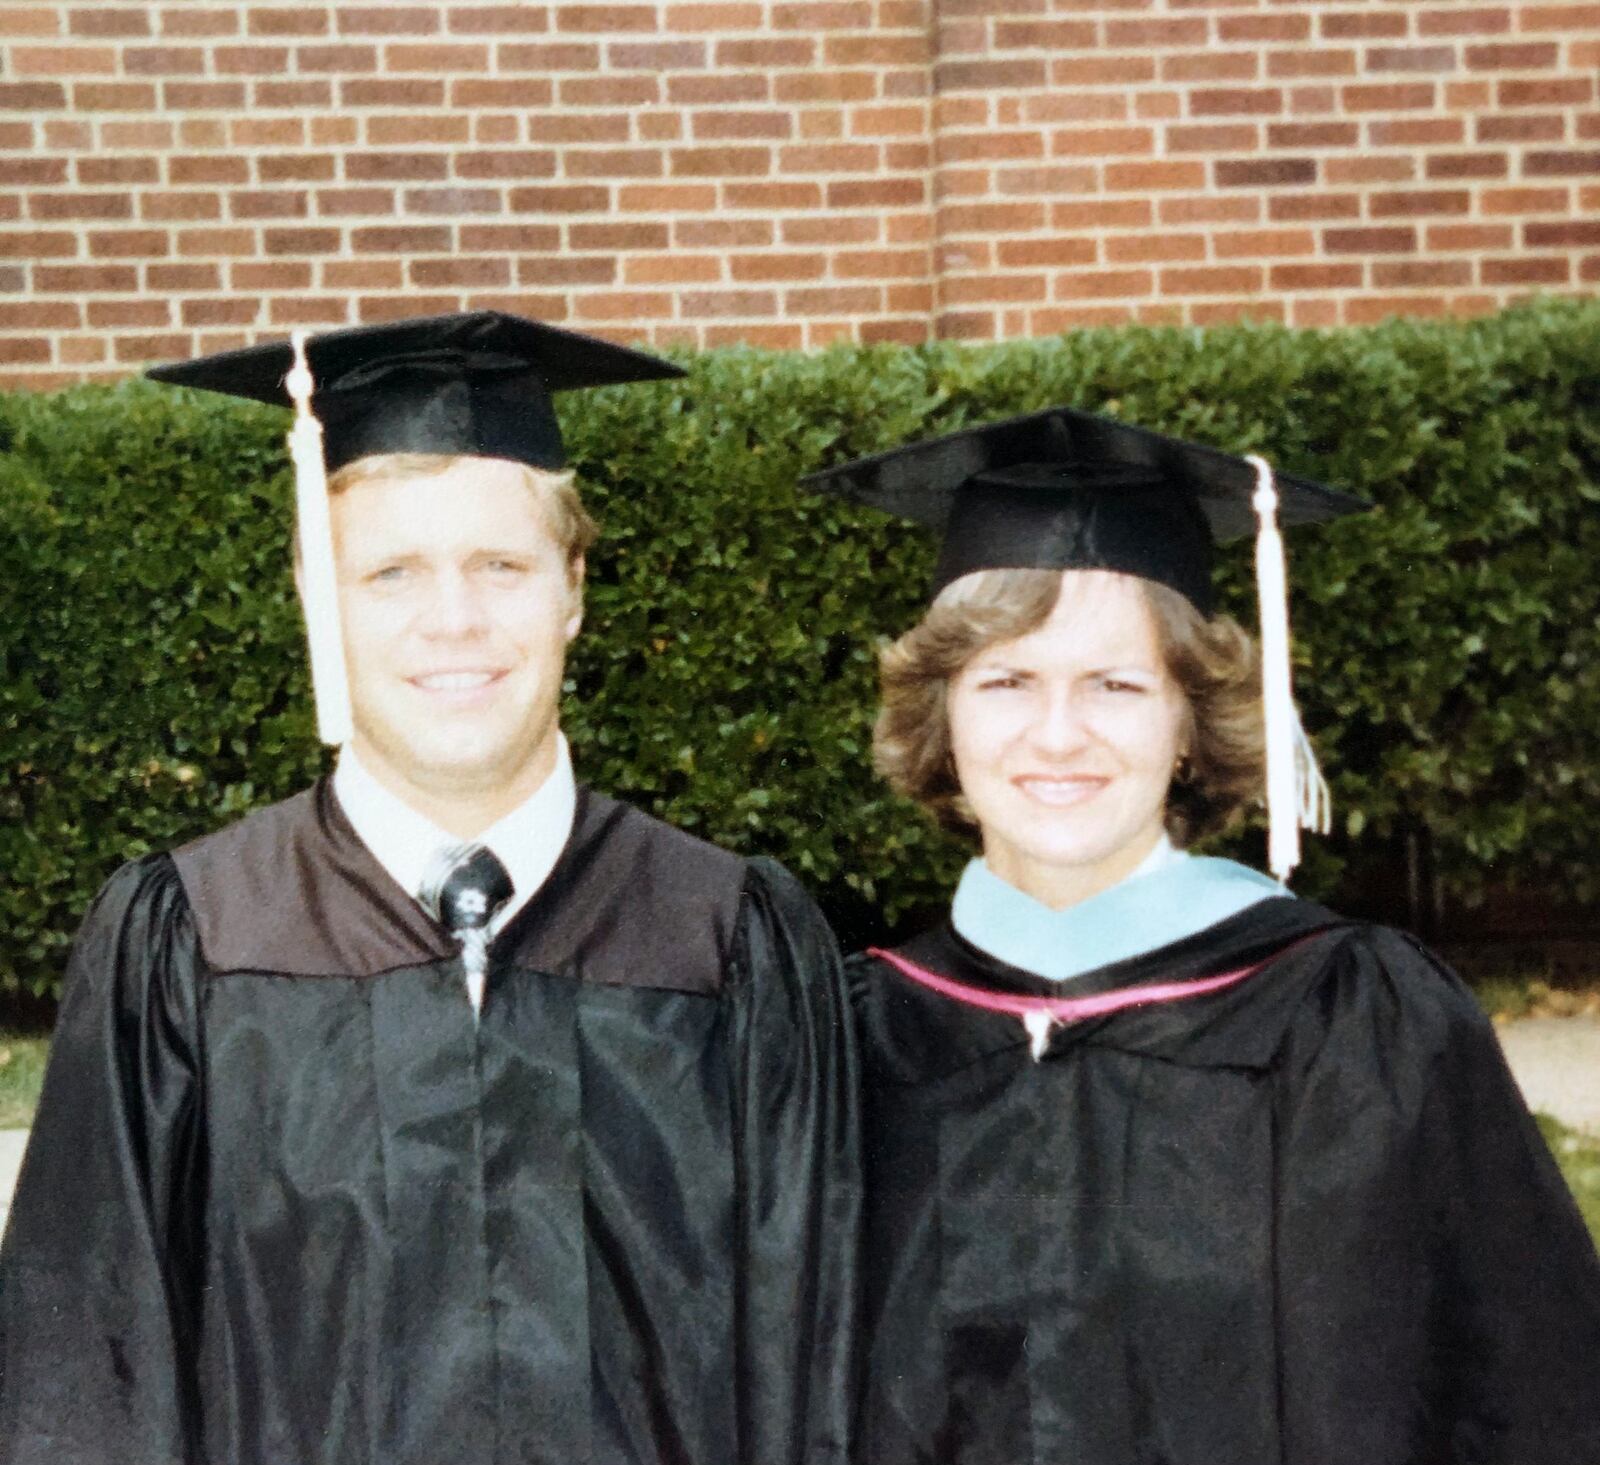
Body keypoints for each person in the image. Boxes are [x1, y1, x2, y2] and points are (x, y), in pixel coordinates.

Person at [0, 312, 857, 1465]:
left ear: (574, 588)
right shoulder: (192, 944)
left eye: (500, 565)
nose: (453, 618)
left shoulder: (726, 942)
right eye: (392, 571)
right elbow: (87, 1385)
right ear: (318, 596)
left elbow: (814, 1382)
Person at [803, 406, 1600, 1464]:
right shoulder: (852, 1043)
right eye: (1004, 681)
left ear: (1188, 722)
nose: (1056, 734)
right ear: (941, 718)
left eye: (1116, 685)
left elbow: (1527, 1399)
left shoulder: (1352, 1022)